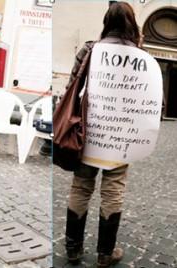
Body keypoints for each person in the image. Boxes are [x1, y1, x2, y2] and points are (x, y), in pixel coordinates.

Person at [64, 2, 141, 267]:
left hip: (88, 133)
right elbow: (148, 101)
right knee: (113, 191)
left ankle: (73, 250)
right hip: (120, 134)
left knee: (81, 187)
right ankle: (105, 254)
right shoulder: (139, 56)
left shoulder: (90, 49)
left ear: (107, 21)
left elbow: (71, 87)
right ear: (132, 23)